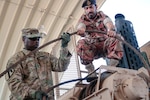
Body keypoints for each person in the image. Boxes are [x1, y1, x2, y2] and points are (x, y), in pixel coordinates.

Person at [5, 28, 72, 100]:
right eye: (33, 39)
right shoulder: (16, 60)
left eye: (38, 39)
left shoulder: (45, 56)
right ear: (24, 39)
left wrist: (64, 47)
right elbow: (14, 84)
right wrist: (33, 93)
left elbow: (61, 66)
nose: (36, 41)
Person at [76, 0, 124, 78]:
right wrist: (81, 30)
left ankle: (111, 68)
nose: (89, 10)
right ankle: (91, 72)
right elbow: (81, 26)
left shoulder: (101, 15)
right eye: (86, 8)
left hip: (105, 45)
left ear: (96, 7)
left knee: (117, 37)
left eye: (91, 7)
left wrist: (111, 30)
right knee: (80, 43)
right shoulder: (83, 19)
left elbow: (108, 23)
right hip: (92, 48)